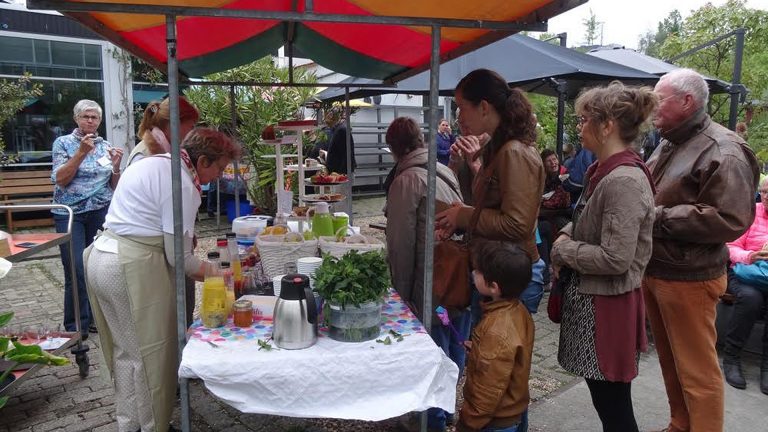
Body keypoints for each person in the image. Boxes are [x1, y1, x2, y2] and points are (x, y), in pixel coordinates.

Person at [84, 128, 239, 432]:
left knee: (127, 353)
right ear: (203, 159)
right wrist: (220, 275)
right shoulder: (181, 182)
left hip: (102, 255)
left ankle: (130, 424)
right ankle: (152, 425)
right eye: (219, 168)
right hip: (126, 266)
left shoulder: (156, 162)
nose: (219, 175)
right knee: (149, 355)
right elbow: (179, 259)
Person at [644, 68, 760, 432]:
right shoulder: (669, 140)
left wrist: (655, 217)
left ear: (687, 101)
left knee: (698, 371)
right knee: (671, 361)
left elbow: (730, 218)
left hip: (689, 279)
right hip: (659, 269)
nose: (652, 107)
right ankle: (680, 424)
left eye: (659, 100)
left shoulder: (725, 150)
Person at [550, 82, 657, 432]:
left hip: (606, 309)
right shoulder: (605, 172)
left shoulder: (622, 180)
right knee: (607, 401)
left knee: (614, 407)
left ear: (607, 125)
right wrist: (568, 232)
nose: (579, 128)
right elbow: (584, 222)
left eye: (584, 120)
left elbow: (616, 258)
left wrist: (563, 249)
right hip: (597, 303)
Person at [436, 68, 546, 315]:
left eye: (462, 108)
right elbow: (488, 206)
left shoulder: (513, 151)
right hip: (496, 272)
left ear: (484, 107)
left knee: (494, 351)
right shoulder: (497, 147)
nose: (459, 118)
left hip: (510, 277)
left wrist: (463, 216)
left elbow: (518, 224)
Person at [383, 117, 466, 432]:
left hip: (429, 281)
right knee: (454, 341)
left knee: (432, 351)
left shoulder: (406, 181)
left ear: (393, 149)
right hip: (454, 277)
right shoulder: (442, 168)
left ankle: (432, 420)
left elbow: (401, 246)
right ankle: (448, 408)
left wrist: (403, 301)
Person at [51, 99, 123, 339]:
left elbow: (114, 187)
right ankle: (75, 326)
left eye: (95, 118)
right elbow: (60, 179)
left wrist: (116, 167)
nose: (90, 121)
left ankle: (95, 319)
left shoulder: (106, 146)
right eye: (86, 117)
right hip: (70, 214)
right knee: (76, 268)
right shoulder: (63, 143)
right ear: (76, 118)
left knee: (98, 267)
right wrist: (81, 153)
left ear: (100, 121)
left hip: (100, 212)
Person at [457, 240, 533, 432]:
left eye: (479, 272)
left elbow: (487, 388)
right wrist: (479, 351)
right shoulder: (519, 310)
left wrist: (468, 422)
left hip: (495, 420)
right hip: (514, 410)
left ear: (494, 287)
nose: (474, 273)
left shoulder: (496, 329)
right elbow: (508, 357)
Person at [722, 177, 768, 394]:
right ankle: (731, 358)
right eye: (765, 192)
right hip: (744, 273)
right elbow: (730, 247)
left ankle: (766, 368)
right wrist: (752, 256)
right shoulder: (750, 212)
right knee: (751, 299)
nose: (767, 197)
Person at [126, 96, 199, 166]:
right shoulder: (143, 156)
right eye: (191, 127)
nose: (193, 132)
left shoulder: (170, 151)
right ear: (175, 123)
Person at [537, 149, 571, 287]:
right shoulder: (544, 179)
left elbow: (566, 205)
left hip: (566, 217)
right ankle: (546, 276)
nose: (553, 163)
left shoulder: (565, 175)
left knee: (543, 227)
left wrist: (543, 208)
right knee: (541, 228)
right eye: (549, 161)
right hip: (551, 217)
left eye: (554, 159)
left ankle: (546, 275)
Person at [320, 106, 356, 174]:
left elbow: (346, 155)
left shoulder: (341, 130)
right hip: (338, 173)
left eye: (324, 115)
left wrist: (340, 174)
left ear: (330, 115)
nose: (323, 118)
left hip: (341, 175)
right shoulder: (337, 130)